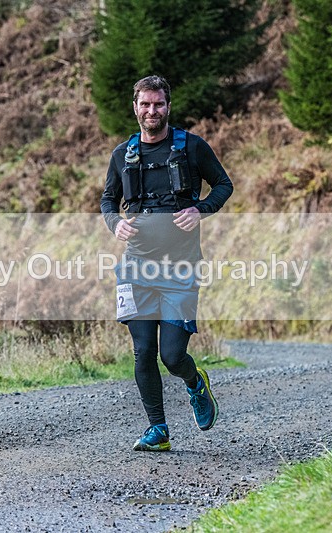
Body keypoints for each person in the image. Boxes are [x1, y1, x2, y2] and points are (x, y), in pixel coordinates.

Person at [100, 75, 233, 451]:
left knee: (172, 356)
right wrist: (116, 224)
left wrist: (201, 209)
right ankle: (158, 429)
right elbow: (108, 200)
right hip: (136, 268)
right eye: (145, 104)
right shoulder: (121, 155)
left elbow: (224, 184)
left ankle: (194, 382)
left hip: (181, 269)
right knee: (143, 351)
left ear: (168, 107)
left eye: (158, 104)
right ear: (135, 107)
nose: (151, 111)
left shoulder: (192, 147)